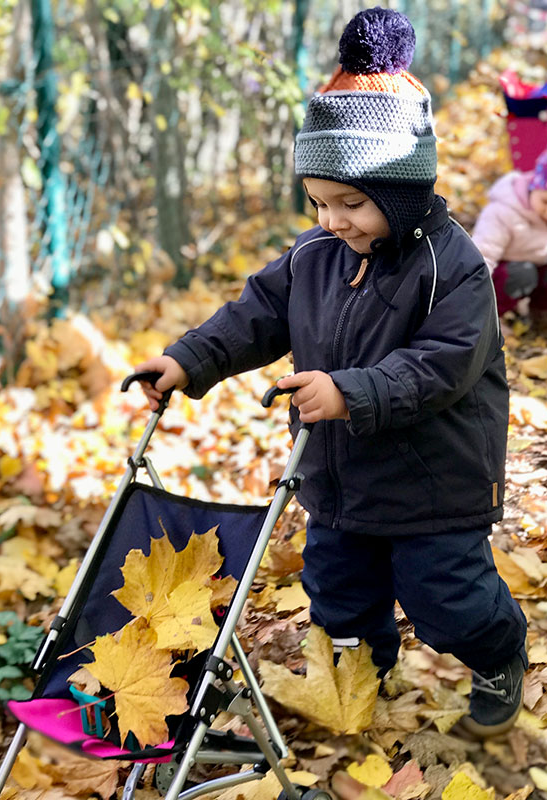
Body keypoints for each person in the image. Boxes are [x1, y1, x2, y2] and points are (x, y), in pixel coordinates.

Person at [136, 7, 527, 738]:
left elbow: (441, 365)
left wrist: (349, 391)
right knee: (339, 593)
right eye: (317, 202)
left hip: (434, 482)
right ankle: (361, 670)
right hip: (338, 478)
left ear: (403, 193)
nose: (331, 221)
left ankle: (499, 650)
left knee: (448, 598)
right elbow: (256, 314)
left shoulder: (454, 267)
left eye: (351, 203)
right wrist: (189, 360)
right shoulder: (315, 256)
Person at [472, 147, 547, 318]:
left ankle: (538, 313)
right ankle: (491, 317)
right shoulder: (503, 212)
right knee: (522, 273)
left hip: (537, 267)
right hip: (501, 273)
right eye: (545, 201)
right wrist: (472, 300)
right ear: (533, 187)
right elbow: (482, 256)